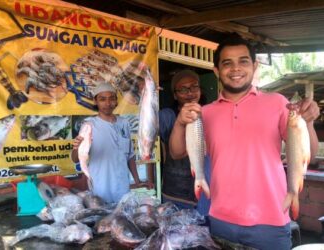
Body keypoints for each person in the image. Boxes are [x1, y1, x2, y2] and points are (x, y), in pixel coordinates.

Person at [169, 34, 320, 250]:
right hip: (221, 220)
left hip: (271, 222)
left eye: (243, 61)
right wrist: (180, 123)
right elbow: (176, 153)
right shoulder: (206, 113)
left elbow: (309, 155)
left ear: (255, 66)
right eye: (227, 63)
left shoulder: (278, 103)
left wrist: (309, 123)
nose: (236, 68)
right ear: (216, 71)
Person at [71, 83, 148, 203]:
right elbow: (75, 159)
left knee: (121, 218)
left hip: (122, 187)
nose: (108, 103)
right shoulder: (89, 125)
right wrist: (77, 148)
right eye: (102, 99)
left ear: (116, 101)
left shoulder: (124, 123)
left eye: (111, 98)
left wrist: (137, 181)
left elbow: (130, 156)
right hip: (100, 187)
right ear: (95, 101)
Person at [159, 69, 211, 215]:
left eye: (194, 87)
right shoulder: (167, 116)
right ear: (175, 95)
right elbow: (147, 125)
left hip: (205, 195)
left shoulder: (210, 113)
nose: (190, 93)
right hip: (175, 193)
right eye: (183, 89)